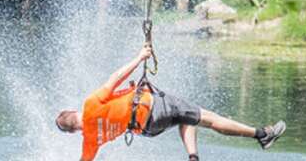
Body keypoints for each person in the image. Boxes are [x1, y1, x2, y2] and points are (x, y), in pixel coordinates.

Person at [55, 45, 286, 161]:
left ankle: (193, 157)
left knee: (187, 119)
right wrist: (140, 56)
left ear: (74, 131)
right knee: (207, 117)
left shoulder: (89, 142)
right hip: (154, 108)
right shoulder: (90, 105)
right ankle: (261, 135)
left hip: (148, 129)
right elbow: (115, 78)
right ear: (73, 112)